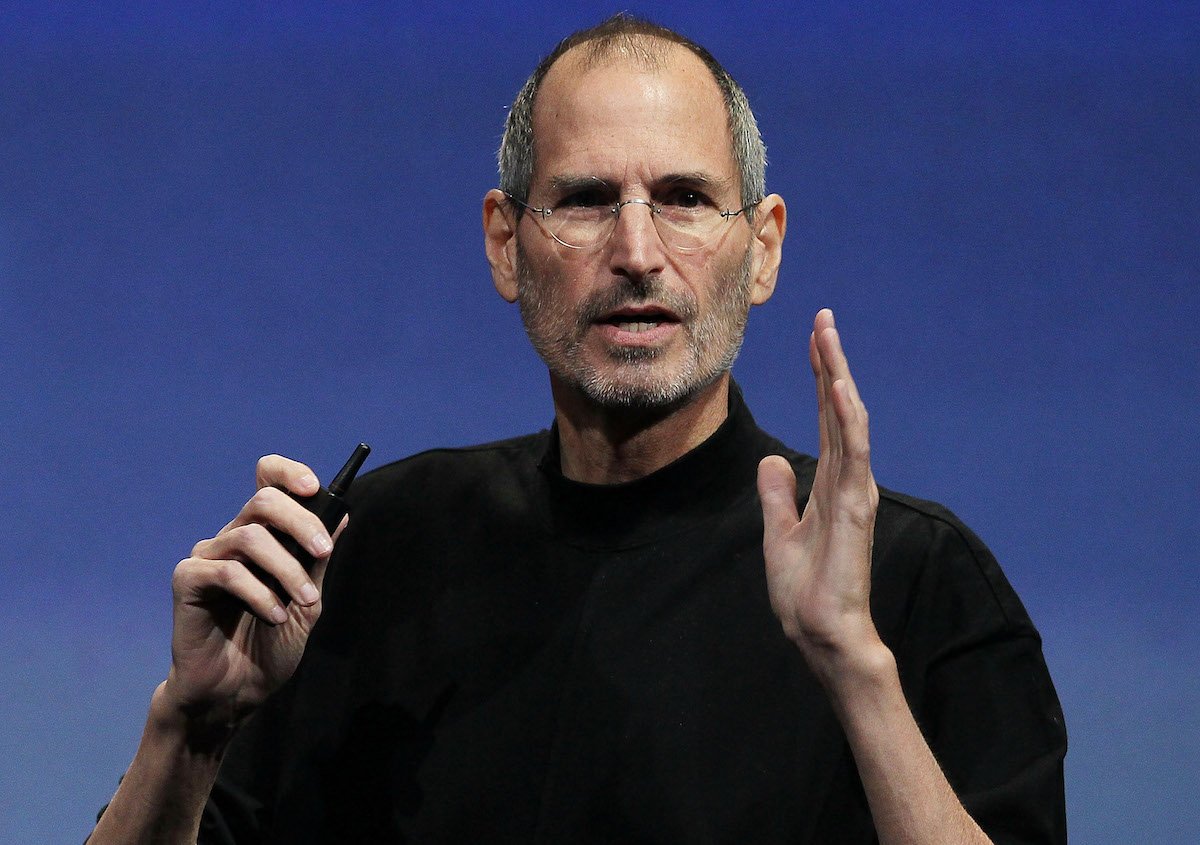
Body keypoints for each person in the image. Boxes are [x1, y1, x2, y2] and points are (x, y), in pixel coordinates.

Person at [90, 15, 1066, 844]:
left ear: (762, 247)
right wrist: (191, 724)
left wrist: (856, 666)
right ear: (506, 243)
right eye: (587, 200)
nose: (637, 252)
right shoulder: (361, 558)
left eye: (684, 199)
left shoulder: (914, 581)